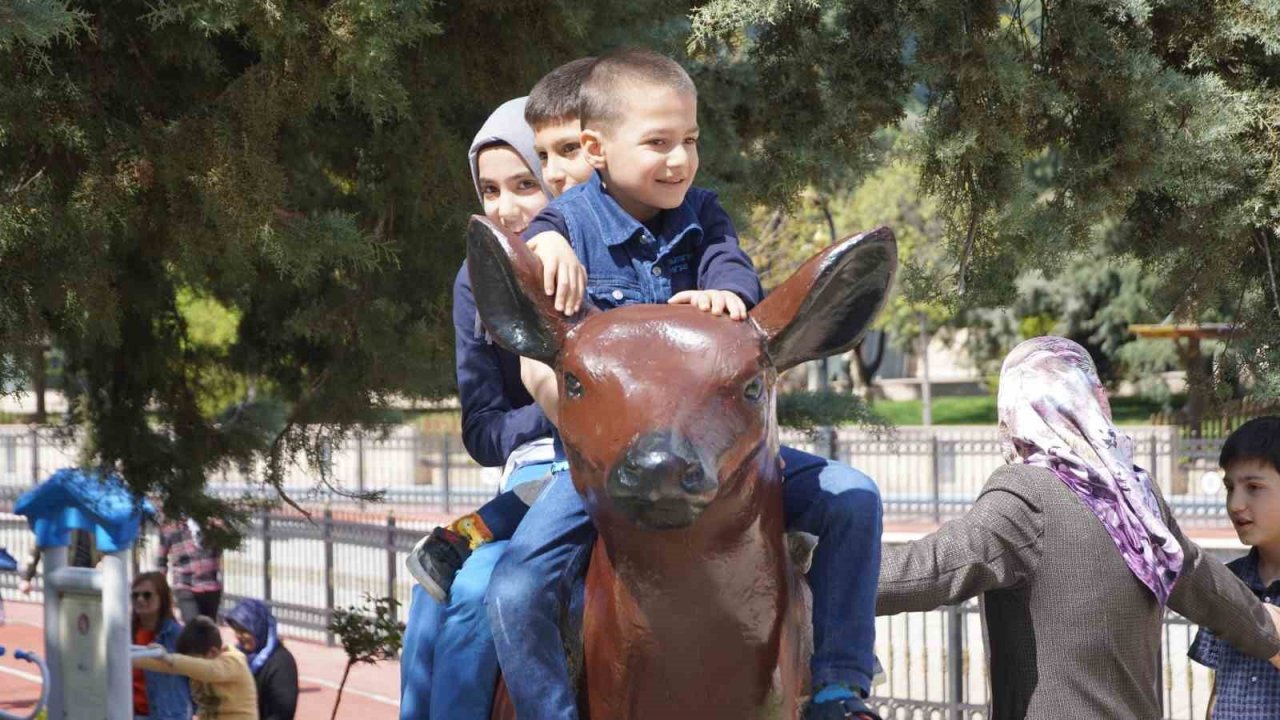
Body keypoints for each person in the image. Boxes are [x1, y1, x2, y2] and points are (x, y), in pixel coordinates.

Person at [483, 48, 883, 720]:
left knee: (854, 497)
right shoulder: (571, 223)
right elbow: (544, 240)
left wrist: (727, 294)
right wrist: (548, 246)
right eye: (658, 143)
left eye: (690, 141)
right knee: (517, 587)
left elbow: (731, 262)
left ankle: (840, 683)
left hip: (712, 449)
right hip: (608, 467)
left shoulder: (703, 214)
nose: (679, 160)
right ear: (597, 148)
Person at [875, 336, 1280, 719]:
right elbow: (1199, 579)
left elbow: (933, 568)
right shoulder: (1134, 494)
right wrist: (1269, 632)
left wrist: (822, 571)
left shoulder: (1028, 493)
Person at [399, 93, 584, 720]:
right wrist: (556, 403)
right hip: (534, 476)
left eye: (525, 185)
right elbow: (481, 430)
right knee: (448, 586)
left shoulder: (606, 252)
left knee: (477, 585)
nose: (506, 209)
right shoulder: (473, 278)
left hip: (624, 467)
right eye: (490, 191)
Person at [1189, 415, 1280, 718]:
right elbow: (1219, 690)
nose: (1234, 504)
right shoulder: (1226, 581)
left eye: (1253, 487)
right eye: (1230, 487)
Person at [133, 614, 258, 720]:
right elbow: (169, 666)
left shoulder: (234, 662)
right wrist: (132, 659)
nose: (191, 667)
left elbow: (210, 670)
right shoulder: (201, 666)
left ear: (213, 652)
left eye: (193, 660)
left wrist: (170, 658)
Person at [131, 571, 192, 720]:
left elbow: (194, 676)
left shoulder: (177, 635)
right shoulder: (125, 634)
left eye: (147, 595)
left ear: (162, 598)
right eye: (135, 595)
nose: (140, 599)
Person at [225, 599, 298, 720]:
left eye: (244, 631)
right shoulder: (239, 656)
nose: (239, 636)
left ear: (258, 629)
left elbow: (282, 712)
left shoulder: (281, 663)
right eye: (236, 631)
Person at [156, 519, 223, 621]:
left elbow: (228, 542)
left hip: (211, 586)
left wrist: (219, 526)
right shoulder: (171, 526)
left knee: (208, 631)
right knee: (193, 627)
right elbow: (161, 560)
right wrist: (161, 590)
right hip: (186, 585)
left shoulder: (211, 522)